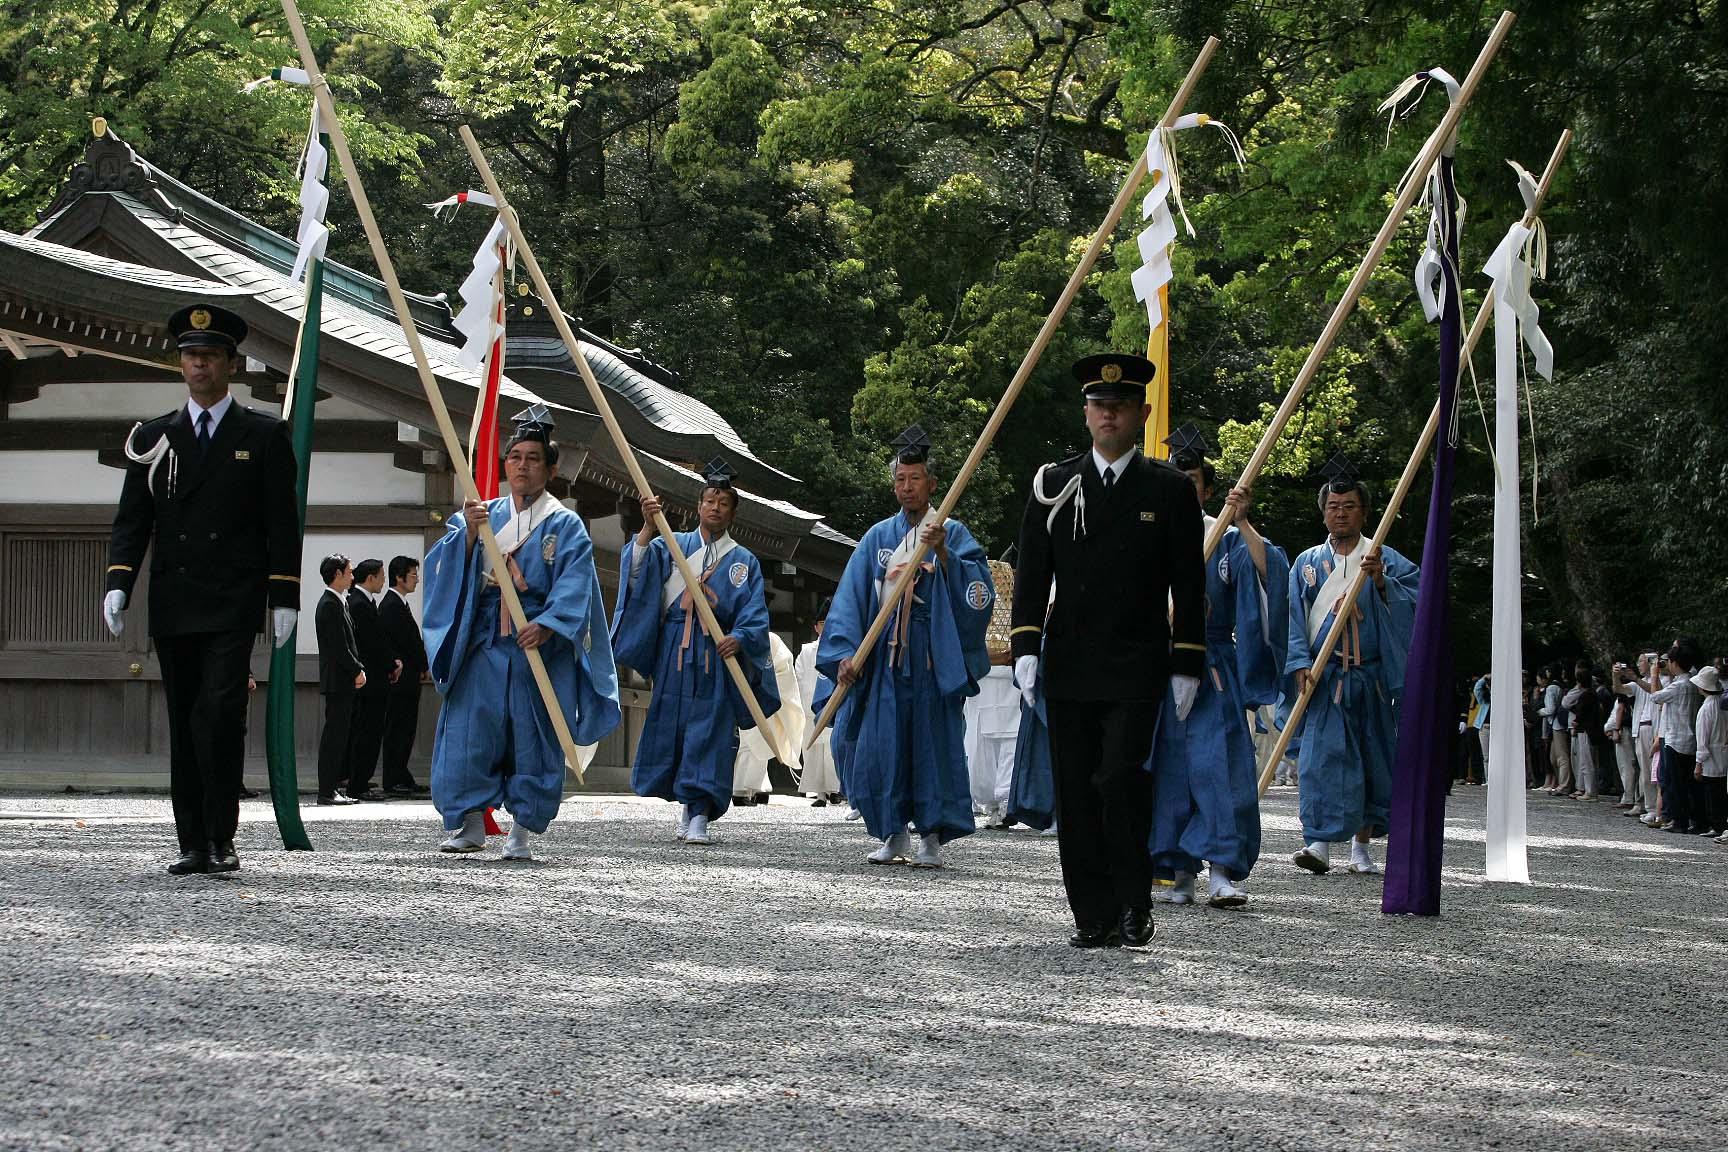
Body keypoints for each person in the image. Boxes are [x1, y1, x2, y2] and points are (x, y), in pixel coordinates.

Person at [1011, 354, 1205, 948]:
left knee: (1119, 778)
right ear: (1086, 413)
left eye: (1120, 407)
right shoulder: (1053, 484)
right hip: (1070, 659)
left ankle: (1133, 901)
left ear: (1142, 414)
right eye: (1099, 406)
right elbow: (1032, 573)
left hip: (1135, 663)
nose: (1109, 415)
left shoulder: (1169, 490)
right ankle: (1091, 913)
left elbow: (1188, 583)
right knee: (1075, 788)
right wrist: (1025, 645)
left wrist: (1187, 658)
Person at [103, 302, 301, 875]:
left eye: (210, 356)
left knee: (219, 713)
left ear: (230, 364)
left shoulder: (263, 435)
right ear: (180, 364)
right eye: (191, 356)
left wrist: (282, 594)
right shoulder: (154, 436)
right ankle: (193, 841)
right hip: (175, 598)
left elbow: (280, 522)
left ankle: (223, 836)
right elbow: (132, 519)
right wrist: (120, 583)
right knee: (186, 716)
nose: (200, 366)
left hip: (233, 599)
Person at [421, 406, 621, 860]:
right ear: (505, 464)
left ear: (550, 470)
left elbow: (577, 587)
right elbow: (444, 571)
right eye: (515, 457)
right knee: (470, 732)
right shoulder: (480, 515)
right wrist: (469, 538)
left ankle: (522, 830)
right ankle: (470, 823)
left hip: (536, 648)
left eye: (533, 458)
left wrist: (549, 625)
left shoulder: (565, 524)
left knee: (532, 736)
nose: (523, 466)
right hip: (485, 642)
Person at [819, 425, 994, 870]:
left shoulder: (951, 531)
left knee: (933, 743)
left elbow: (979, 595)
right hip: (887, 658)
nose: (907, 487)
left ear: (932, 485)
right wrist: (845, 653)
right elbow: (851, 600)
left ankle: (931, 836)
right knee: (884, 744)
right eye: (900, 479)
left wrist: (945, 556)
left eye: (915, 479)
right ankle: (892, 831)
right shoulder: (879, 538)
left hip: (933, 654)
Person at [1146, 427, 1288, 909]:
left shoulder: (1225, 537)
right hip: (1158, 665)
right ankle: (1174, 870)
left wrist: (1243, 522)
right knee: (1165, 769)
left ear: (1206, 487)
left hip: (1213, 666)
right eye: (1176, 479)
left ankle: (1222, 870)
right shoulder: (1147, 529)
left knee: (1220, 766)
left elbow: (1267, 581)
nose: (1185, 488)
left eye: (1193, 480)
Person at [612, 459, 779, 845]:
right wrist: (648, 528)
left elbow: (754, 614)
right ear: (698, 506)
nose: (715, 507)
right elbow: (637, 575)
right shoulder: (673, 544)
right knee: (675, 724)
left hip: (715, 654)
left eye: (723, 502)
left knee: (711, 729)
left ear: (733, 512)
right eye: (709, 500)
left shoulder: (743, 561)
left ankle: (700, 810)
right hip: (675, 649)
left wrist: (739, 637)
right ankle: (685, 804)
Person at [1283, 455, 1419, 877]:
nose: (1340, 514)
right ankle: (1319, 842)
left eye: (1349, 507)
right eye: (1333, 507)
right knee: (1322, 760)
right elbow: (1291, 618)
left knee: (1371, 760)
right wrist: (1300, 662)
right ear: (1323, 512)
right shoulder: (1306, 564)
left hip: (1371, 679)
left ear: (1364, 512)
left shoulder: (1385, 558)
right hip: (1326, 679)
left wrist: (1380, 582)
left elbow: (1414, 603)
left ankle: (1362, 848)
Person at [345, 558, 400, 801]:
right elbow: (372, 644)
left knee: (370, 731)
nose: (383, 581)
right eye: (381, 576)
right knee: (366, 732)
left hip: (375, 678)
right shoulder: (358, 604)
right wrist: (391, 663)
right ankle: (357, 784)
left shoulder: (364, 602)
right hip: (370, 680)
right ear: (370, 578)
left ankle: (361, 779)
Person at [377, 556, 430, 797]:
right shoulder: (391, 605)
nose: (417, 579)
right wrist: (420, 662)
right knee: (398, 728)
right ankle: (394, 778)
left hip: (409, 677)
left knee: (405, 729)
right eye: (412, 575)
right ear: (399, 577)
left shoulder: (399, 604)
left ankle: (401, 775)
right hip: (400, 679)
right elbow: (405, 642)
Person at [315, 554, 365, 807]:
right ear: (337, 574)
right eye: (349, 571)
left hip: (342, 679)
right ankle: (326, 790)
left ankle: (332, 787)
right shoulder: (329, 605)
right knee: (334, 736)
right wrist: (357, 669)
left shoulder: (339, 602)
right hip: (338, 679)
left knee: (340, 735)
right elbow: (338, 646)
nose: (352, 576)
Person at [732, 632, 803, 808]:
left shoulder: (772, 639)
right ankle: (740, 789)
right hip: (743, 695)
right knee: (746, 744)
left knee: (763, 743)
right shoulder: (737, 635)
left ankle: (758, 787)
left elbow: (784, 668)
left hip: (766, 696)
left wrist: (767, 684)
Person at [1647, 640, 1703, 834]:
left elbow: (1655, 697)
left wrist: (1654, 676)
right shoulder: (1694, 682)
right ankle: (1692, 820)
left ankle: (1678, 820)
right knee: (1688, 784)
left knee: (1675, 783)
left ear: (1675, 663)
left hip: (1675, 739)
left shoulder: (1679, 685)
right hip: (1690, 739)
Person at [965, 645, 1020, 829]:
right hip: (980, 672)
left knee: (1012, 739)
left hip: (1015, 672)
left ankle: (1007, 802)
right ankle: (993, 805)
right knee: (980, 745)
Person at [795, 599, 844, 806]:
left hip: (833, 705)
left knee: (832, 750)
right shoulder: (807, 651)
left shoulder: (840, 650)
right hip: (810, 706)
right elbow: (798, 676)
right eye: (821, 623)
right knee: (813, 750)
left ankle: (835, 790)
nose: (825, 627)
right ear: (816, 627)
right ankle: (819, 794)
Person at [1690, 666, 1727, 838]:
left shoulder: (1706, 709)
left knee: (1712, 793)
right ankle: (1720, 825)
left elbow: (1702, 738)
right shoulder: (1723, 704)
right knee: (1720, 791)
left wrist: (1698, 763)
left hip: (1711, 756)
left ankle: (1715, 825)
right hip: (1723, 753)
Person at [1562, 662, 1601, 801]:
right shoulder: (1591, 693)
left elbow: (1581, 711)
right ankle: (1589, 789)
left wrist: (1576, 721)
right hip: (1587, 729)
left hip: (1586, 730)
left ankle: (1590, 791)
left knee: (1587, 761)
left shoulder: (1586, 695)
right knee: (1586, 760)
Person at [1538, 663, 1573, 795]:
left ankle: (1564, 785)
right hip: (1558, 723)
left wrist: (1539, 711)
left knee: (1561, 756)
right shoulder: (1561, 686)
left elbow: (1550, 709)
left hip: (1557, 723)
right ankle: (1561, 782)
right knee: (1554, 757)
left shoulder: (1551, 688)